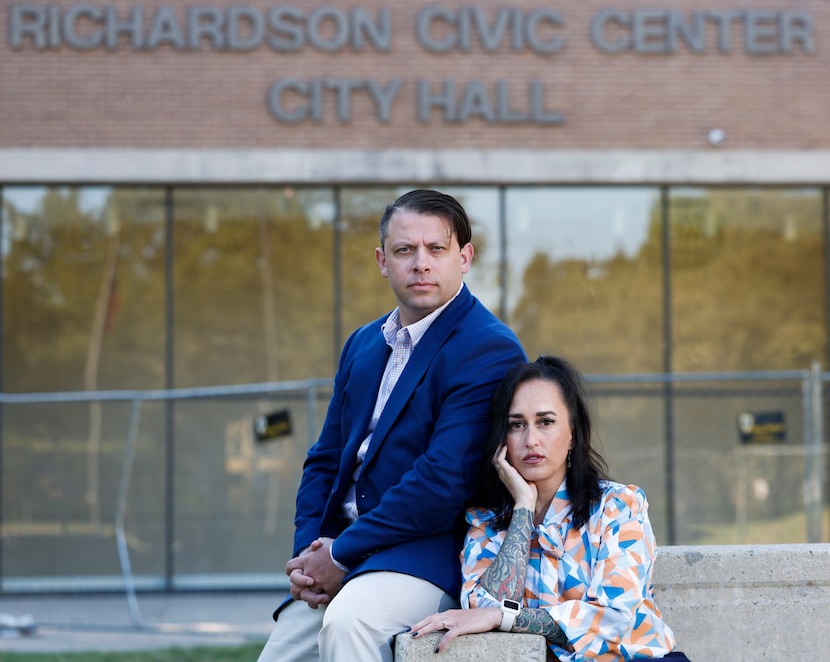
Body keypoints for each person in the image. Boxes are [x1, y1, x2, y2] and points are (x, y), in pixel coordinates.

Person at [257, 189, 527, 662]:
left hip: (426, 555)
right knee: (279, 655)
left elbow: (442, 481)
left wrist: (338, 556)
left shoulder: (488, 348)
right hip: (348, 552)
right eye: (405, 250)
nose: (420, 263)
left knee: (349, 625)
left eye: (436, 249)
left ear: (464, 257)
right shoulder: (363, 344)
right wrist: (309, 557)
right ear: (383, 261)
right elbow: (324, 459)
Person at [411, 355, 691, 661]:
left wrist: (507, 619)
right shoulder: (485, 522)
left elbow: (613, 617)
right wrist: (522, 509)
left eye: (546, 422)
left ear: (572, 433)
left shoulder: (619, 507)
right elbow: (483, 611)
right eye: (516, 425)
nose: (531, 440)